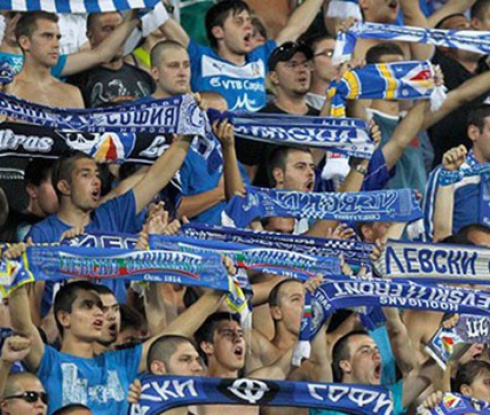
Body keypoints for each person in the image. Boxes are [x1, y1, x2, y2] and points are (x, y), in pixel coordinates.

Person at [161, 0, 325, 111]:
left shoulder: (261, 57)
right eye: (239, 22)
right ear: (218, 32)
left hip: (255, 146)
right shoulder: (200, 58)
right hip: (215, 144)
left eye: (249, 21)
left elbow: (297, 27)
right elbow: (165, 23)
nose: (249, 27)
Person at [67, 12, 155, 108]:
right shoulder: (77, 82)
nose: (116, 36)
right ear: (90, 37)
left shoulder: (144, 77)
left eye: (120, 29)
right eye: (108, 29)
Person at [5, 11, 84, 108]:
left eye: (58, 38)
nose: (56, 44)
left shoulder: (73, 94)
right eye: (47, 36)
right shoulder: (8, 90)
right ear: (25, 42)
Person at [0, 159, 58, 243]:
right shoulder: (10, 224)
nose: (61, 190)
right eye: (54, 184)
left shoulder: (68, 226)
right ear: (32, 190)